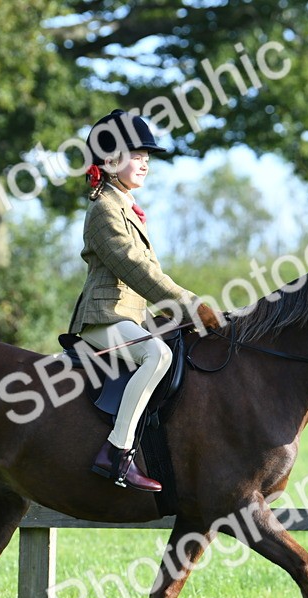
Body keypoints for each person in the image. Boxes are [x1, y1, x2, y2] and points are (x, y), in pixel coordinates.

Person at [68, 109, 222, 492]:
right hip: (103, 319)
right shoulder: (104, 210)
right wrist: (190, 303)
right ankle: (117, 453)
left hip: (130, 318)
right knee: (158, 356)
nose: (144, 162)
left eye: (146, 156)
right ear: (108, 160)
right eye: (135, 154)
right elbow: (137, 269)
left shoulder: (127, 208)